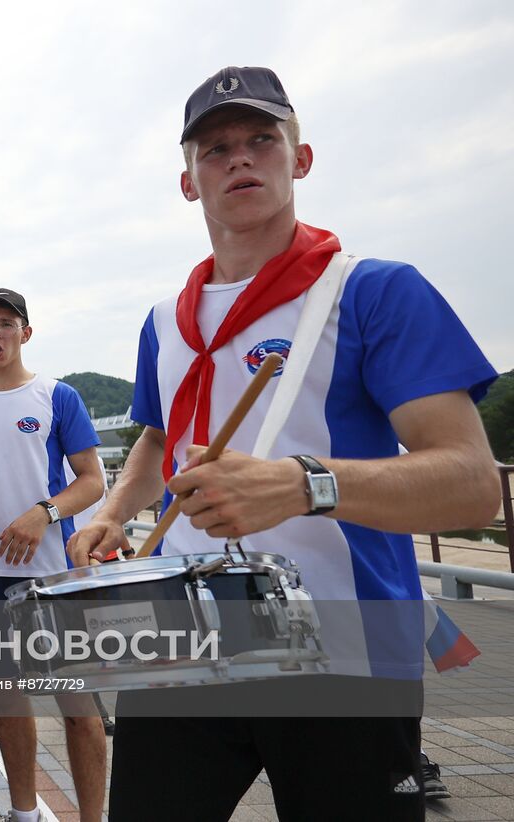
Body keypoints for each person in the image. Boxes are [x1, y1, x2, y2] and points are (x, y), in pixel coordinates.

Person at [67, 66, 500, 821]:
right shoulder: (165, 319)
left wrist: (305, 485)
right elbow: (158, 437)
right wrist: (114, 508)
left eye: (261, 140)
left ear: (299, 159)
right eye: (216, 148)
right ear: (187, 182)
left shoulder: (375, 290)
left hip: (348, 653)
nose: (239, 158)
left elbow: (472, 484)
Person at [0, 288, 108, 822]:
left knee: (78, 710)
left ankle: (91, 816)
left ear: (25, 333)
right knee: (10, 705)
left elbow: (92, 481)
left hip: (52, 577)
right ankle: (22, 811)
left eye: (6, 323)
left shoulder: (57, 396)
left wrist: (45, 513)